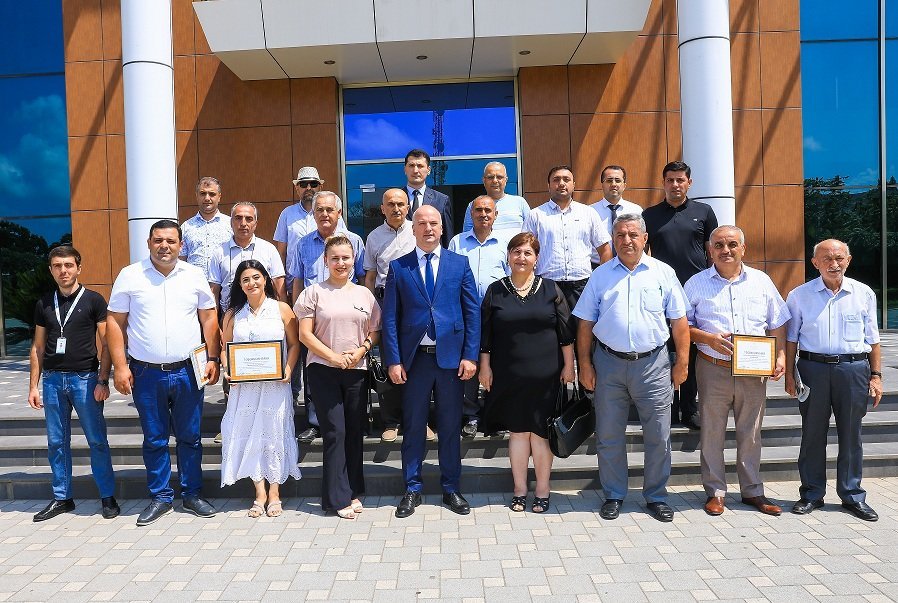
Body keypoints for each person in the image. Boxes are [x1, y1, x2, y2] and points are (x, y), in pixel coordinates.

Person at [573, 214, 689, 523]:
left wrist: (682, 363)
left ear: (645, 238)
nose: (627, 240)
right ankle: (614, 494)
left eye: (633, 234)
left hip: (653, 365)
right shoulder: (600, 276)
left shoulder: (663, 273)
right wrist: (585, 364)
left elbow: (679, 322)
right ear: (613, 240)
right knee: (609, 434)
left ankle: (656, 496)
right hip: (608, 364)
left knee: (658, 435)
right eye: (620, 235)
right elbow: (585, 324)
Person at [107, 219, 221, 527]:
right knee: (155, 439)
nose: (164, 246)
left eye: (171, 241)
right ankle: (160, 497)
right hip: (146, 373)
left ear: (181, 245)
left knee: (190, 437)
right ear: (148, 243)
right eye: (158, 240)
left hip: (188, 371)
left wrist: (213, 358)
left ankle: (192, 494)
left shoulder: (194, 275)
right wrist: (120, 366)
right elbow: (115, 323)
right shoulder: (130, 275)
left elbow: (209, 318)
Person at [685, 226, 790, 516]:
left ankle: (752, 491)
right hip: (712, 367)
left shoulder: (761, 281)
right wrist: (708, 338)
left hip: (753, 369)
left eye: (732, 244)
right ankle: (715, 492)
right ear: (710, 250)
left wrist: (781, 355)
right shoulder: (695, 283)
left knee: (751, 432)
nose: (726, 250)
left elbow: (778, 321)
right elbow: (681, 326)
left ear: (743, 248)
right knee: (712, 432)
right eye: (719, 245)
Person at [383, 205, 480, 518]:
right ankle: (412, 488)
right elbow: (390, 319)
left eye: (433, 223)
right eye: (422, 223)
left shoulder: (459, 264)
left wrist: (470, 355)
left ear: (442, 228)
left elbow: (472, 313)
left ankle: (451, 488)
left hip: (451, 361)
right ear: (413, 229)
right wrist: (394, 360)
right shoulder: (399, 267)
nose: (428, 228)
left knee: (450, 426)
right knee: (413, 427)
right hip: (415, 362)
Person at [785, 239, 883, 522]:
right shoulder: (799, 295)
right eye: (826, 258)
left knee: (851, 434)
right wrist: (790, 373)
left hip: (853, 370)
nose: (833, 263)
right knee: (812, 433)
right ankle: (812, 494)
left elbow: (873, 339)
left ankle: (852, 496)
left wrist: (876, 376)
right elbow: (791, 339)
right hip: (812, 368)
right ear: (815, 263)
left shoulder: (863, 293)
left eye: (839, 258)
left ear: (848, 261)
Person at [479, 232, 574, 513]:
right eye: (516, 252)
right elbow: (485, 335)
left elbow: (565, 333)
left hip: (547, 375)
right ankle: (519, 490)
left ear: (536, 258)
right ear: (508, 256)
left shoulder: (551, 289)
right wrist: (484, 366)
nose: (521, 257)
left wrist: (569, 365)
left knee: (541, 433)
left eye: (527, 253)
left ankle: (543, 489)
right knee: (518, 432)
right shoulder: (495, 291)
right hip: (509, 374)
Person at [27, 245, 119, 522]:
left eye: (68, 265)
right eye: (57, 266)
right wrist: (33, 386)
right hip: (53, 381)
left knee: (97, 441)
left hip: (85, 380)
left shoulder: (94, 300)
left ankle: (107, 497)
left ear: (79, 268)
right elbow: (38, 347)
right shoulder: (44, 303)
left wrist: (103, 380)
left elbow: (106, 343)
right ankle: (62, 498)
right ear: (51, 270)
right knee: (56, 442)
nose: (63, 271)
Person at [296, 235, 382, 519]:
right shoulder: (313, 293)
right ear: (325, 261)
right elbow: (304, 334)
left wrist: (362, 350)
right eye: (335, 258)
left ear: (354, 259)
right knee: (335, 432)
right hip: (323, 371)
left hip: (356, 370)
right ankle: (336, 498)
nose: (341, 263)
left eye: (346, 258)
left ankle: (353, 489)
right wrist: (332, 357)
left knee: (355, 431)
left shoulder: (364, 294)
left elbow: (375, 331)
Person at [220, 260, 301, 518]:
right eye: (245, 279)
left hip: (275, 386)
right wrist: (228, 369)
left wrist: (288, 368)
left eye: (256, 277)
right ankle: (259, 493)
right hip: (245, 388)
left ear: (265, 279)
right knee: (249, 435)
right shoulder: (233, 314)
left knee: (274, 433)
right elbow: (225, 349)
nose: (251, 283)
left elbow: (295, 344)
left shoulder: (282, 309)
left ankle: (274, 492)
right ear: (239, 284)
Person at [643, 161, 718, 431]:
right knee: (664, 350)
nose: (675, 185)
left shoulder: (704, 212)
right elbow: (643, 254)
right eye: (670, 180)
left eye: (680, 180)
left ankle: (689, 408)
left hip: (695, 292)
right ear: (663, 182)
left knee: (692, 352)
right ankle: (667, 408)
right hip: (661, 292)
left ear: (689, 183)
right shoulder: (649, 215)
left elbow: (713, 253)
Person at [289, 191, 366, 443]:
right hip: (313, 319)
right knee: (315, 370)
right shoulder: (302, 243)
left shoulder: (355, 241)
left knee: (350, 372)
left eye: (329, 209)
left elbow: (363, 278)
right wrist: (297, 316)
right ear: (313, 214)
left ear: (339, 213)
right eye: (319, 210)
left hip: (347, 320)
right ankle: (315, 421)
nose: (324, 214)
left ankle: (351, 419)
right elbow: (297, 280)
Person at [449, 195, 512, 438]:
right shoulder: (457, 242)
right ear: (471, 214)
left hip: (497, 314)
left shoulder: (505, 244)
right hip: (465, 313)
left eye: (488, 210)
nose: (483, 214)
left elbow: (513, 279)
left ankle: (495, 415)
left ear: (495, 215)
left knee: (498, 363)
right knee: (469, 363)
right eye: (478, 210)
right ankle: (471, 416)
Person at [523, 165, 611, 334]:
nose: (561, 183)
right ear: (549, 185)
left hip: (582, 287)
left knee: (583, 334)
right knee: (549, 334)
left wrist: (600, 281)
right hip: (547, 286)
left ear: (574, 185)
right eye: (556, 180)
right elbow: (525, 251)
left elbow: (605, 250)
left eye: (566, 179)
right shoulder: (535, 215)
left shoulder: (588, 213)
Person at [363, 188, 416, 442]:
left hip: (416, 302)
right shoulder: (373, 237)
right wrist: (372, 310)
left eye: (401, 204)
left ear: (408, 207)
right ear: (382, 208)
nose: (396, 208)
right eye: (391, 204)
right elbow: (370, 277)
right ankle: (391, 421)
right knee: (389, 362)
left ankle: (417, 420)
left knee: (416, 362)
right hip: (386, 303)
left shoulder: (418, 230)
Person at [208, 202, 286, 312]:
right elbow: (213, 292)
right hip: (229, 316)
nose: (243, 223)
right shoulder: (219, 252)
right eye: (238, 218)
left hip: (264, 315)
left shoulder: (269, 249)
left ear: (256, 223)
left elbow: (280, 289)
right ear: (231, 222)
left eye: (249, 219)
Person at [180, 176, 233, 279]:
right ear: (197, 196)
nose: (207, 198)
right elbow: (181, 261)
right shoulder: (186, 227)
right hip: (194, 283)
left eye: (212, 194)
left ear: (219, 197)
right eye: (203, 193)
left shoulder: (231, 224)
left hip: (225, 284)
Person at [589, 165, 642, 268]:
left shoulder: (636, 211)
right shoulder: (590, 211)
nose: (613, 184)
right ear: (602, 185)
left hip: (629, 266)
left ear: (624, 185)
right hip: (597, 267)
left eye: (618, 181)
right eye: (609, 180)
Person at [461, 161, 531, 233]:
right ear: (484, 180)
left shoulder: (520, 202)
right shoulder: (474, 205)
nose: (495, 181)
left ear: (506, 180)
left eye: (499, 177)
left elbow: (531, 231)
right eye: (490, 177)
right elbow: (467, 235)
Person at [404, 149, 453, 247]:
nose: (415, 170)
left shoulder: (441, 200)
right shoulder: (395, 200)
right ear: (405, 169)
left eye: (420, 166)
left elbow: (447, 238)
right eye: (411, 165)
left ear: (429, 170)